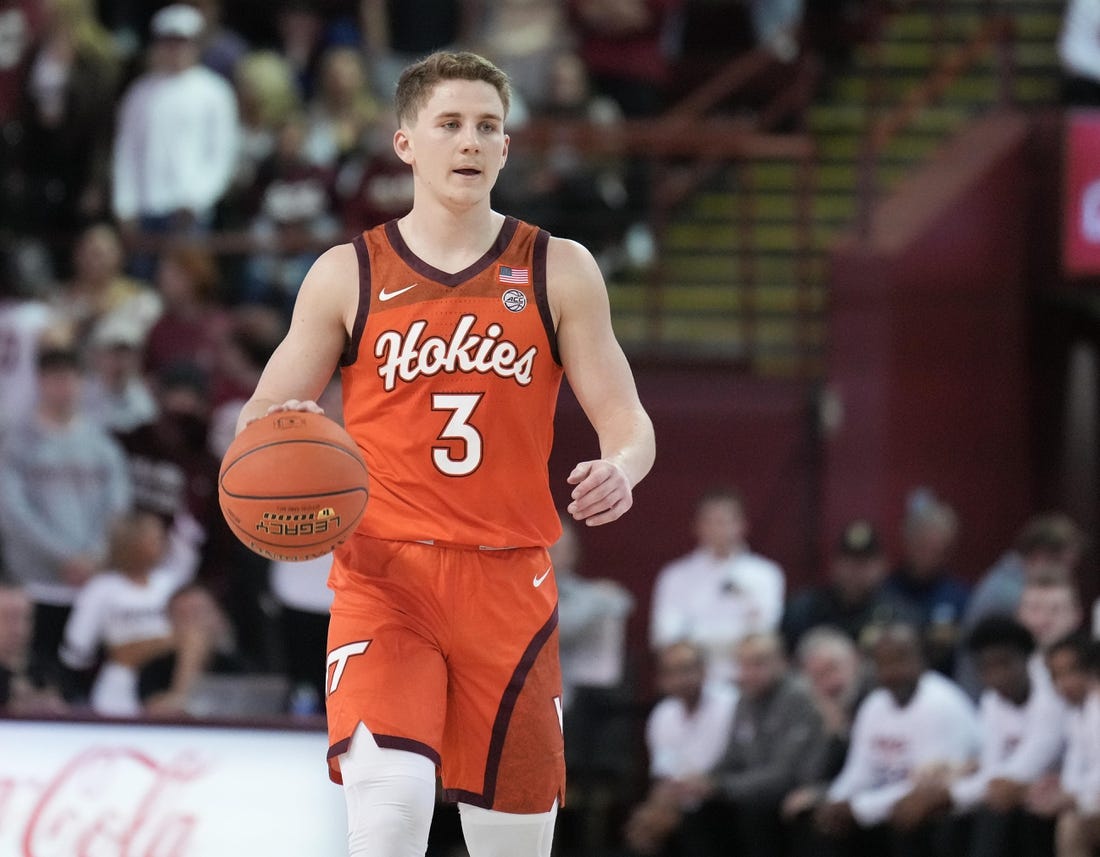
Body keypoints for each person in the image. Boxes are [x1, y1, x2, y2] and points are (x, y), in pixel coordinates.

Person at [234, 50, 656, 857]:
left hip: (510, 581)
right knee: (388, 823)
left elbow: (629, 423)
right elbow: (260, 414)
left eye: (487, 127)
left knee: (512, 847)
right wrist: (282, 441)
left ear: (506, 147)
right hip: (383, 578)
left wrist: (621, 467)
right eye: (451, 124)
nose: (470, 142)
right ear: (405, 143)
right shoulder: (345, 272)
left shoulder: (559, 267)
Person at [0, 345, 132, 673]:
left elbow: (117, 503)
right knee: (34, 672)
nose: (64, 388)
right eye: (55, 379)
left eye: (70, 379)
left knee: (83, 675)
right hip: (35, 581)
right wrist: (64, 557)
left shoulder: (101, 442)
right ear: (41, 382)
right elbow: (13, 511)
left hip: (93, 578)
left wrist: (97, 553)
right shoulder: (15, 440)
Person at [904, 617, 1065, 857]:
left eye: (1003, 664)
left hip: (1058, 795)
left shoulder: (1053, 697)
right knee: (948, 821)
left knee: (996, 811)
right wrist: (945, 790)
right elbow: (994, 769)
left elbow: (1023, 770)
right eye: (985, 668)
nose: (996, 676)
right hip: (1014, 796)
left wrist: (949, 795)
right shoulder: (992, 702)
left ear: (1027, 658)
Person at [815, 622, 979, 857]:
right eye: (883, 664)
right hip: (884, 803)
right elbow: (860, 771)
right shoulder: (874, 705)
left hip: (949, 812)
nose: (892, 672)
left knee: (911, 815)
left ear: (922, 660)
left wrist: (859, 808)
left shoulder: (942, 704)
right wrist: (835, 802)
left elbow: (928, 787)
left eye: (900, 660)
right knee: (824, 823)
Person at [669, 632, 825, 857]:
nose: (748, 673)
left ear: (782, 662)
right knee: (697, 811)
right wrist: (703, 781)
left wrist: (721, 787)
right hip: (749, 790)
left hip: (797, 792)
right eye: (743, 665)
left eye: (758, 664)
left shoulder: (799, 698)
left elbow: (784, 774)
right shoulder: (745, 699)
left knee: (752, 810)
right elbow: (731, 756)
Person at [650, 487, 785, 683]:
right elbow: (666, 637)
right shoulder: (675, 576)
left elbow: (763, 632)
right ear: (697, 526)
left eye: (725, 521)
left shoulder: (766, 574)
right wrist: (732, 638)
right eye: (710, 521)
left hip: (746, 681)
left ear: (742, 525)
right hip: (691, 684)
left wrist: (696, 636)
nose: (718, 528)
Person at [622, 640, 738, 857]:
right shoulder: (662, 714)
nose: (680, 679)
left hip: (721, 795)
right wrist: (655, 808)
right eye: (671, 672)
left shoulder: (730, 704)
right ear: (661, 679)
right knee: (643, 825)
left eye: (686, 669)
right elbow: (663, 772)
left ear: (703, 671)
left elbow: (734, 761)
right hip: (679, 798)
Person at [782, 519, 915, 651]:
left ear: (882, 567)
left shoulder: (899, 615)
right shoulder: (804, 610)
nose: (856, 572)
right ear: (834, 565)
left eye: (864, 563)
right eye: (849, 562)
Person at [1029, 633, 1100, 857]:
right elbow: (1075, 766)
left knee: (1071, 826)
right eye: (1055, 676)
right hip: (1091, 798)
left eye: (1070, 673)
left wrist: (1074, 797)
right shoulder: (1076, 713)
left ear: (1091, 671)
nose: (1063, 684)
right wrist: (1062, 792)